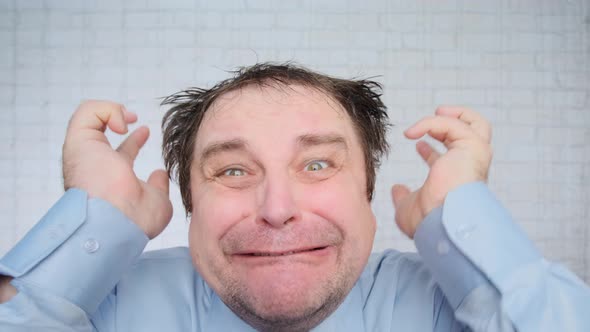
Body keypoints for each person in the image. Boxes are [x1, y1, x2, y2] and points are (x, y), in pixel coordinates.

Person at [0, 63, 588, 332]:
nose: (277, 207)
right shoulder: (96, 307)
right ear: (189, 203)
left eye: (316, 164)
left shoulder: (451, 307)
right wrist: (91, 217)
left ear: (367, 191)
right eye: (232, 171)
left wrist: (464, 213)